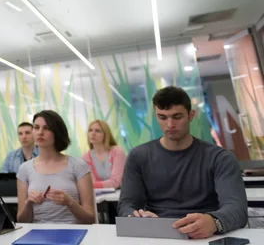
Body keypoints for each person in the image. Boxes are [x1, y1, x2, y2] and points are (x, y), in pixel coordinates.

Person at [118, 86, 248, 239]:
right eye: (162, 117)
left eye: (177, 116)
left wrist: (214, 222)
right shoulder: (138, 156)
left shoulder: (220, 158)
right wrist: (136, 217)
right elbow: (126, 206)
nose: (170, 124)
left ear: (191, 115)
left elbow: (237, 209)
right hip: (158, 235)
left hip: (205, 235)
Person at [17, 110, 95, 224]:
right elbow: (21, 221)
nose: (40, 132)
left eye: (47, 128)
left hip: (73, 233)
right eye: (36, 127)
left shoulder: (78, 166)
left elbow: (90, 218)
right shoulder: (24, 169)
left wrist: (70, 202)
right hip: (37, 235)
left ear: (57, 132)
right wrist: (28, 203)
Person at [81, 119, 126, 189]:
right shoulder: (85, 157)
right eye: (90, 130)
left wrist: (91, 186)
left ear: (106, 135)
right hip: (99, 197)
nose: (93, 133)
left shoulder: (117, 151)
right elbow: (91, 182)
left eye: (97, 131)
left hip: (120, 194)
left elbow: (116, 182)